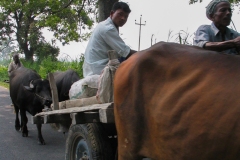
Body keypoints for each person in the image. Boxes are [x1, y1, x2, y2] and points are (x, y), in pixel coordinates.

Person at [83, 2, 137, 77]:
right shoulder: (108, 29)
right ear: (112, 13)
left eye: (126, 16)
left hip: (96, 66)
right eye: (120, 14)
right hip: (98, 68)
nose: (123, 18)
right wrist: (145, 55)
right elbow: (126, 52)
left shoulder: (108, 26)